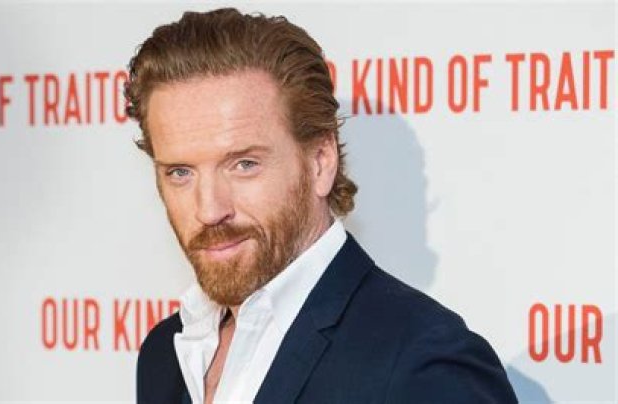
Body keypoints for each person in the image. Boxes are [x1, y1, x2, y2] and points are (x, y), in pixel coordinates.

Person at [125, 7, 517, 404]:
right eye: (180, 172)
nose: (209, 210)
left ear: (320, 162)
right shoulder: (166, 354)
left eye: (244, 165)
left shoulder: (423, 363)